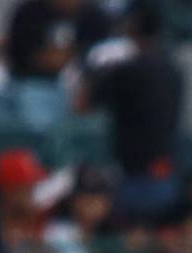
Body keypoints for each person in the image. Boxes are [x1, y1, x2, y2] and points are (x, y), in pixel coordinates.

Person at [75, 3, 185, 227]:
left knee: (128, 240)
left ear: (132, 30)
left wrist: (92, 68)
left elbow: (82, 105)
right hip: (167, 169)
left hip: (133, 176)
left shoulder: (127, 70)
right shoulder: (174, 71)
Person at [2, 0, 109, 81]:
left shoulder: (95, 17)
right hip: (34, 81)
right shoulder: (29, 13)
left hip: (82, 84)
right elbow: (17, 54)